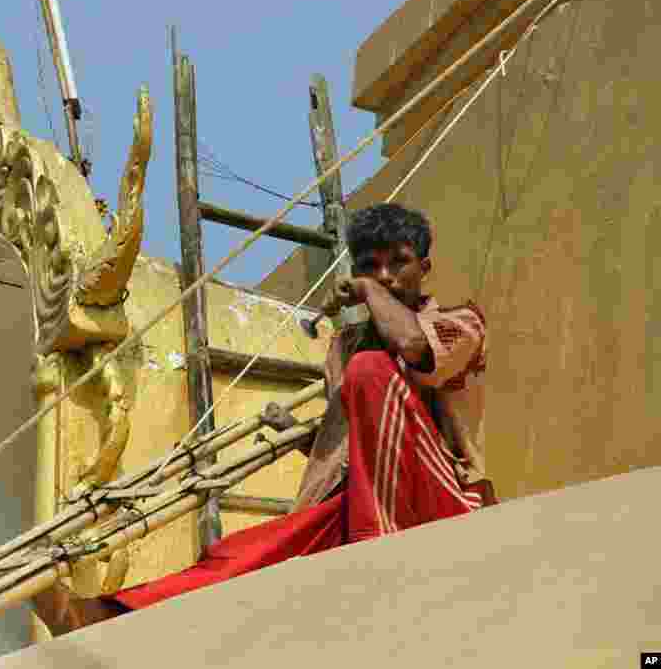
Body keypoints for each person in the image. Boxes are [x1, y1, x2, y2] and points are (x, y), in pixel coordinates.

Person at [31, 202, 496, 635]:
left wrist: (371, 292)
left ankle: (378, 561)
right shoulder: (346, 347)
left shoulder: (462, 325)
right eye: (370, 267)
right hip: (353, 508)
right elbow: (361, 442)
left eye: (399, 263)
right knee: (244, 556)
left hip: (441, 505)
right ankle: (111, 619)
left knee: (370, 370)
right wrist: (301, 437)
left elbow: (415, 351)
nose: (385, 276)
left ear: (424, 269)